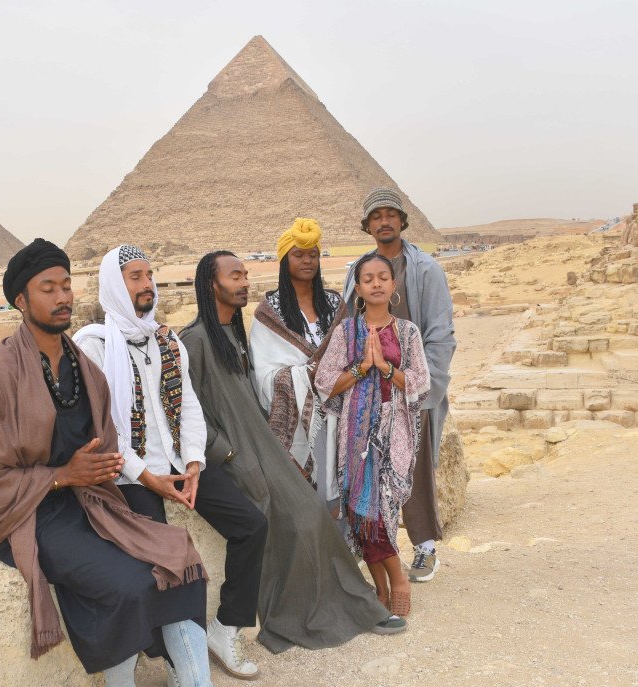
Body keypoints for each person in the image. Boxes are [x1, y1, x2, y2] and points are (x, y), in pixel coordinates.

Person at [0, 238, 275, 687]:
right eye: (47, 288)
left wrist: (101, 475)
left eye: (65, 285)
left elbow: (110, 439)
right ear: (20, 300)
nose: (61, 297)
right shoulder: (2, 373)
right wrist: (61, 476)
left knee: (178, 560)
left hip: (92, 499)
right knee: (131, 583)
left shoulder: (79, 363)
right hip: (29, 512)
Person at [179, 250, 406, 653]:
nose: (245, 282)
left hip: (262, 446)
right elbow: (185, 411)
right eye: (235, 276)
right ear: (211, 285)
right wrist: (227, 453)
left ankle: (352, 604)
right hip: (234, 457)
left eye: (246, 275)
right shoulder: (194, 340)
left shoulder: (232, 333)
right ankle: (303, 612)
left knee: (314, 513)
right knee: (299, 518)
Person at [74, 245, 267, 687]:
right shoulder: (94, 345)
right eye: (135, 277)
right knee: (165, 562)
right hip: (131, 475)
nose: (147, 285)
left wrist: (195, 461)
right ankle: (176, 664)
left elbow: (189, 407)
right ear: (114, 285)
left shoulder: (166, 339)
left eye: (149, 275)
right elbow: (103, 427)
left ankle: (225, 628)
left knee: (252, 525)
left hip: (182, 463)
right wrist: (147, 477)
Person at [341, 188, 455, 583]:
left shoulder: (425, 269)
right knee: (367, 466)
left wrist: (426, 387)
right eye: (376, 216)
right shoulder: (358, 270)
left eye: (391, 214)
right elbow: (346, 324)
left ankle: (425, 547)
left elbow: (441, 333)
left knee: (415, 467)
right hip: (367, 387)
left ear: (402, 221)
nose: (384, 221)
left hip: (411, 387)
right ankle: (374, 548)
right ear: (368, 225)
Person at [316, 253, 430, 617]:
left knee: (379, 508)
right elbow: (325, 382)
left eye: (383, 277)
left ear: (393, 285)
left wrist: (385, 367)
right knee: (359, 509)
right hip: (355, 434)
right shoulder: (345, 332)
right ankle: (382, 588)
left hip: (393, 433)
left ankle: (397, 581)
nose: (376, 283)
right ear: (358, 288)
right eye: (368, 279)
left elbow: (420, 383)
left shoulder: (407, 332)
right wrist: (362, 367)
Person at [250, 218, 343, 499]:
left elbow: (349, 351)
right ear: (284, 260)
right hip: (301, 423)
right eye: (299, 255)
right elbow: (264, 374)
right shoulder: (269, 311)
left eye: (313, 254)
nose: (307, 261)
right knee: (311, 497)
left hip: (340, 411)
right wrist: (308, 375)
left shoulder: (335, 304)